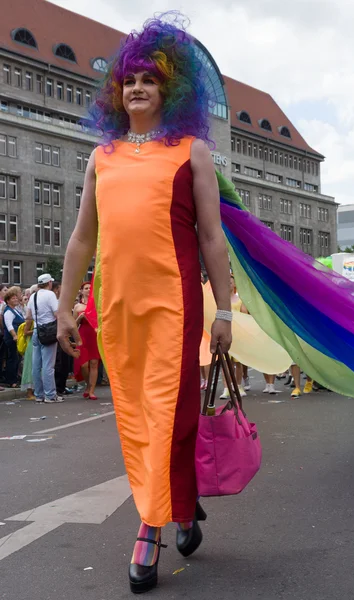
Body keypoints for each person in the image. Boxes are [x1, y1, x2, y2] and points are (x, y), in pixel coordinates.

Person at [57, 14, 232, 594]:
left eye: (149, 81)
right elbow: (83, 239)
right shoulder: (100, 157)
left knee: (164, 416)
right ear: (117, 92)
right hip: (116, 311)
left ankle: (148, 527)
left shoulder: (192, 153)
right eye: (128, 80)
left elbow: (212, 239)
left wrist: (225, 311)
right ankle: (183, 506)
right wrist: (64, 307)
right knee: (140, 419)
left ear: (168, 91)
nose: (136, 88)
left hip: (173, 308)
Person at [25, 274, 63, 403]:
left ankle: (39, 394)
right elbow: (56, 313)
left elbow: (28, 316)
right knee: (48, 365)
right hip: (48, 331)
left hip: (37, 330)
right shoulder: (50, 295)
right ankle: (50, 395)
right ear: (49, 283)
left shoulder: (33, 296)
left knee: (36, 365)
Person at [73, 281, 100, 400]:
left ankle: (92, 390)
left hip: (94, 334)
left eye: (90, 288)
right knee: (83, 364)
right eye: (86, 288)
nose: (88, 290)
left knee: (94, 363)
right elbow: (73, 324)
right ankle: (88, 385)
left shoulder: (96, 305)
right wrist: (80, 317)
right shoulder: (77, 306)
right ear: (81, 291)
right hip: (82, 334)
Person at [53, 281, 74, 396]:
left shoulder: (62, 302)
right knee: (60, 361)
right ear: (57, 289)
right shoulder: (55, 303)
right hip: (59, 333)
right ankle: (58, 386)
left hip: (66, 333)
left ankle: (62, 385)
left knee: (66, 361)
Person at [3, 288, 25, 387]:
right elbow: (9, 325)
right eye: (13, 298)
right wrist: (14, 336)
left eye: (16, 298)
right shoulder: (8, 311)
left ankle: (15, 378)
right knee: (12, 359)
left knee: (16, 359)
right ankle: (11, 381)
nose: (16, 299)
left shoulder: (15, 310)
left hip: (18, 338)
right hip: (12, 339)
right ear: (8, 300)